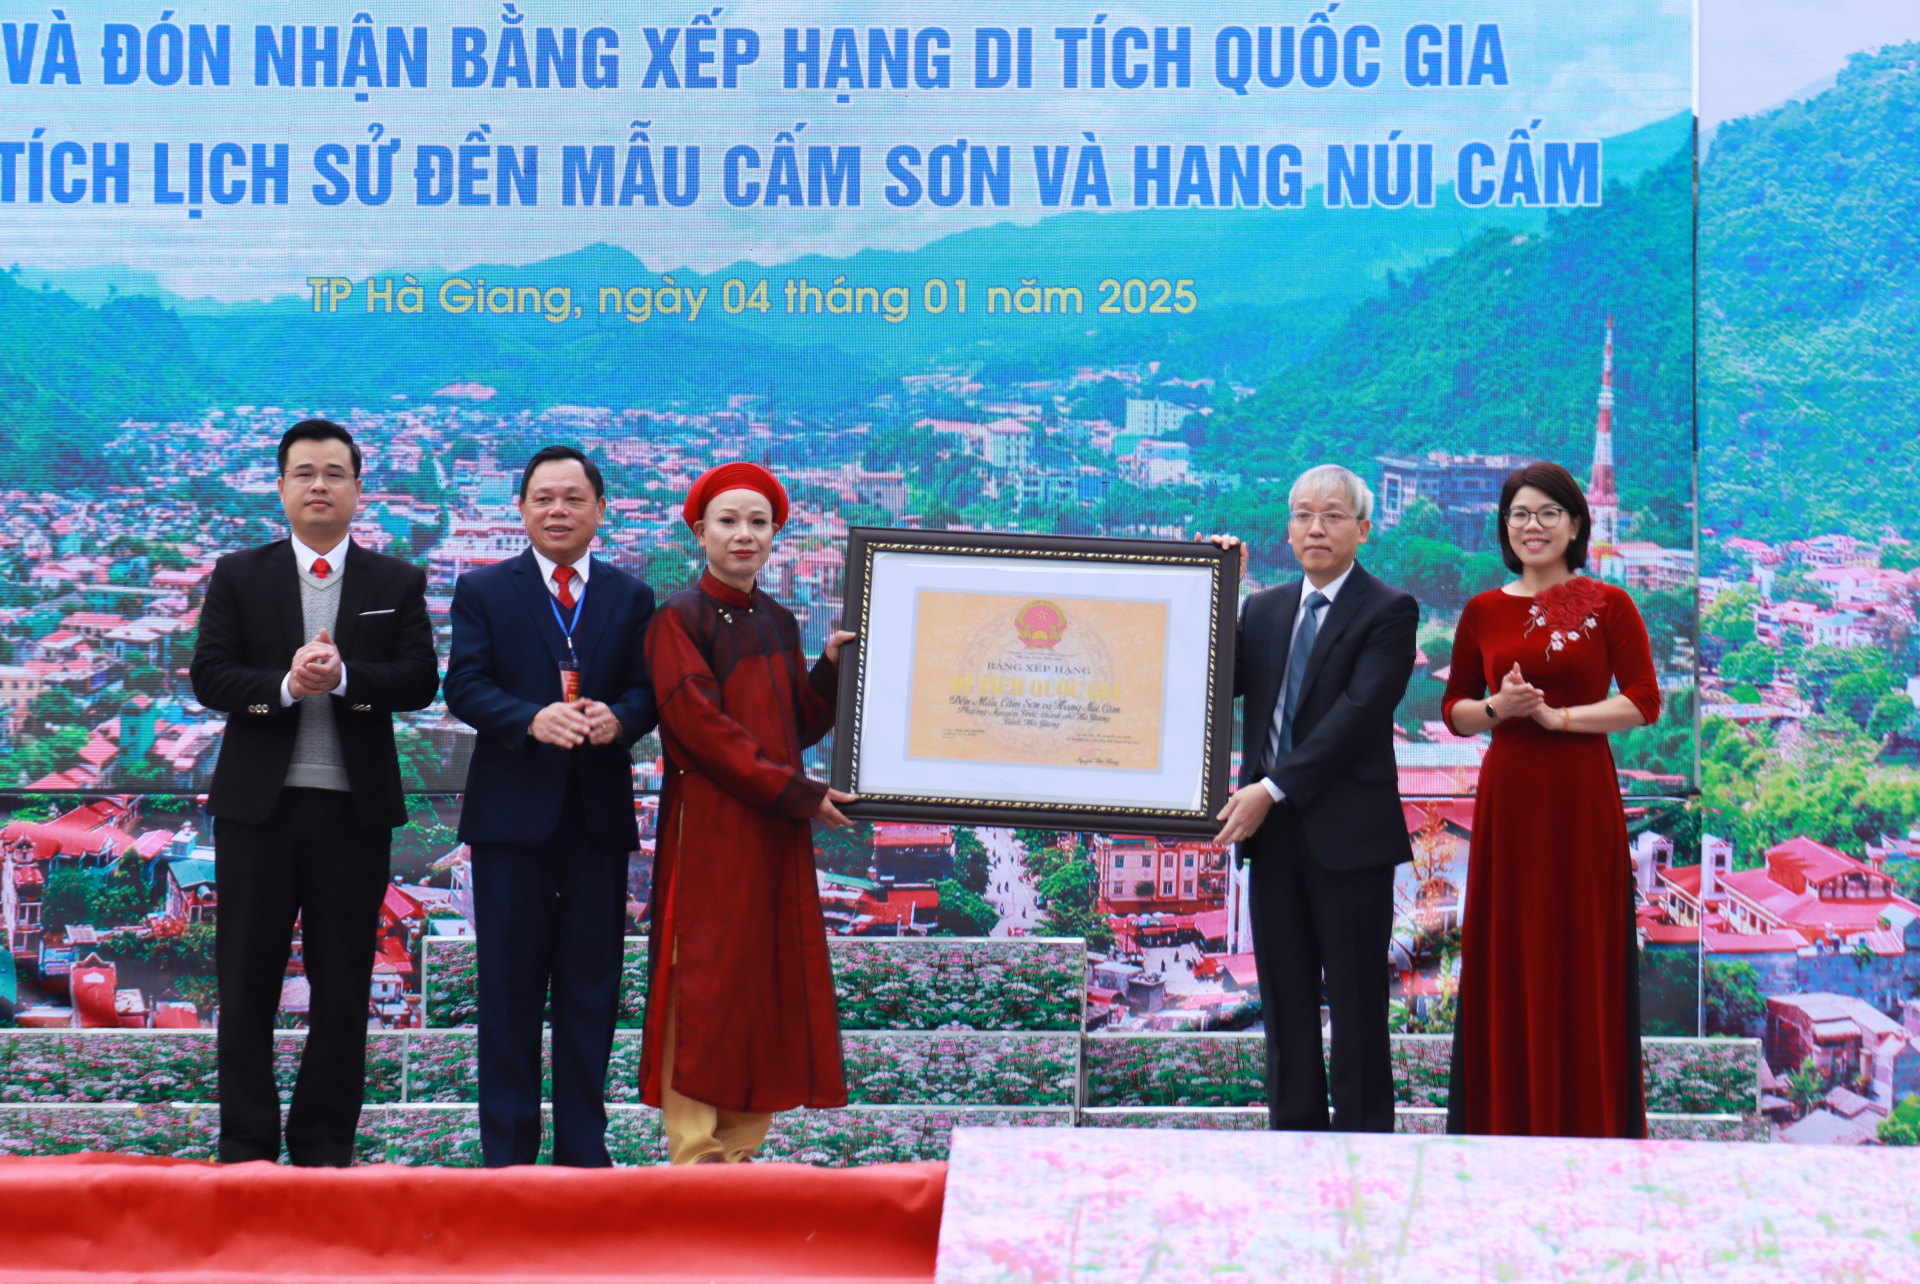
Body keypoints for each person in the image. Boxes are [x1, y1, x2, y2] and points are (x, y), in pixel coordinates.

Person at [190, 419, 439, 1166]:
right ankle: (246, 1146)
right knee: (247, 982)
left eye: (335, 473)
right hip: (256, 811)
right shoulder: (240, 573)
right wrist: (288, 686)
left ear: (359, 490)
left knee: (342, 987)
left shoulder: (395, 581)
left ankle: (325, 1145)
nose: (320, 485)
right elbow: (211, 676)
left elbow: (421, 679)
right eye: (305, 473)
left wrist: (351, 678)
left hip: (352, 812)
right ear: (282, 488)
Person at [442, 445, 658, 1167]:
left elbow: (645, 691)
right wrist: (530, 720)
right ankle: (505, 1157)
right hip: (511, 818)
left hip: (596, 819)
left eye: (572, 498)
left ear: (600, 509)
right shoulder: (485, 589)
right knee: (506, 990)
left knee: (591, 988)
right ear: (522, 508)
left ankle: (583, 1155)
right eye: (543, 498)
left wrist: (618, 721)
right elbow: (465, 686)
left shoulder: (630, 596)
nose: (557, 510)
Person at [637, 462, 857, 1164]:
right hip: (709, 825)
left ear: (776, 536)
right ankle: (694, 1148)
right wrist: (800, 795)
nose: (743, 535)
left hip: (771, 824)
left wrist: (825, 668)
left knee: (760, 974)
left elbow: (794, 724)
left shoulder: (779, 620)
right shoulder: (678, 618)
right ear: (698, 530)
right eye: (728, 521)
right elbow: (702, 731)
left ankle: (740, 1150)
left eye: (758, 523)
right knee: (699, 970)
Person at [1441, 461, 1659, 1137]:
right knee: (1508, 946)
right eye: (1519, 514)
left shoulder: (1607, 603)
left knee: (1580, 944)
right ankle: (1503, 1122)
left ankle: (1588, 1122)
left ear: (1575, 525)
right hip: (1510, 798)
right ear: (1504, 527)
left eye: (1547, 513)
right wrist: (1498, 708)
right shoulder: (1481, 610)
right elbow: (1455, 711)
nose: (1532, 526)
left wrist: (1560, 719)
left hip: (1580, 797)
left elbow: (1644, 702)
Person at [1210, 464, 1419, 1133]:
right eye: (1303, 514)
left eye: (1332, 515)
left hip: (1349, 839)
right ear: (1288, 528)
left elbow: (1356, 716)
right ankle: (1294, 1145)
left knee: (1358, 1010)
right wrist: (1217, 589)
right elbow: (1216, 681)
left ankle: (1365, 1156)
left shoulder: (1390, 610)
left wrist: (1268, 789)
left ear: (1362, 529)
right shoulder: (1264, 609)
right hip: (1272, 841)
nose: (1316, 527)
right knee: (1286, 1006)